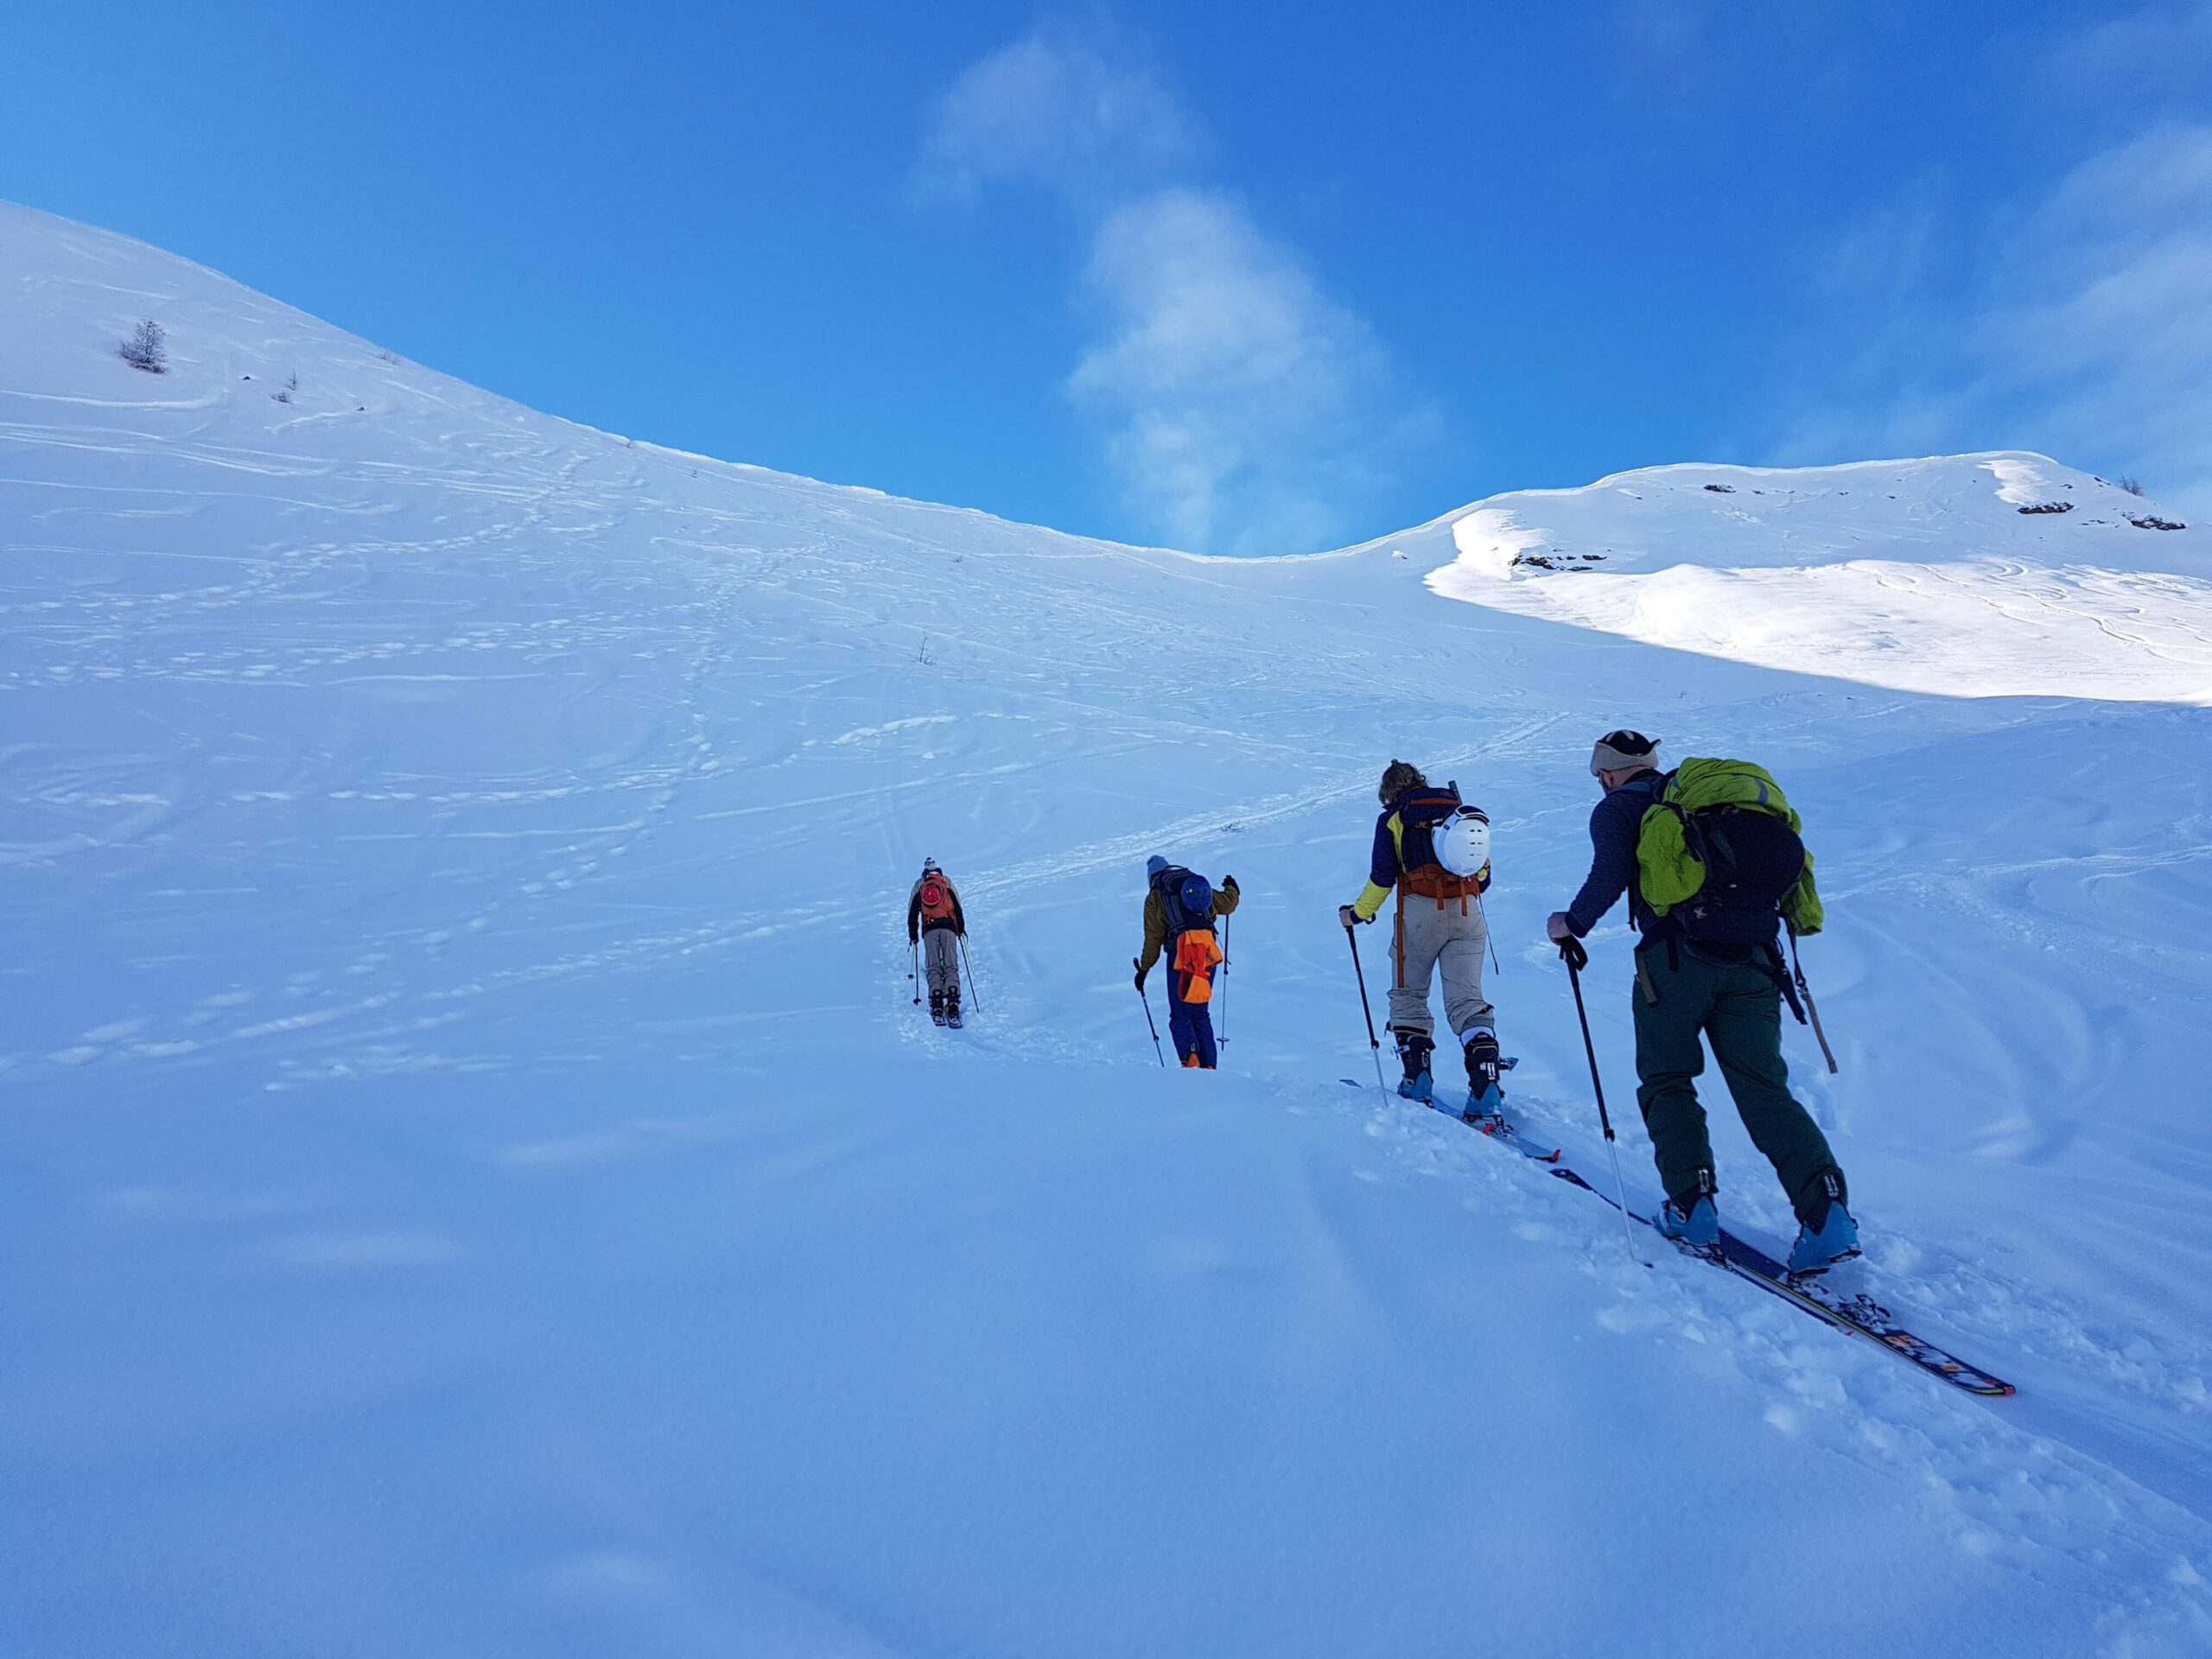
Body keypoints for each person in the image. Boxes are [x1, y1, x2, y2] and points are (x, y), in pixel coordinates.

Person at [1546, 730, 1858, 1274]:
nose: (1601, 782)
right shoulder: (1696, 797)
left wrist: (1570, 924)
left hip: (1675, 961)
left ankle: (1693, 1208)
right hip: (1756, 959)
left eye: (1601, 774)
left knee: (1668, 1079)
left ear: (1609, 773)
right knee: (1764, 1087)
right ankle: (1827, 1212)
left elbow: (1610, 874)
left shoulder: (1618, 809)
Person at [1338, 760, 1500, 1118]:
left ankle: (1417, 1078)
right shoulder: (1459, 811)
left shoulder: (1394, 819)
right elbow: (1483, 876)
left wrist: (1357, 914)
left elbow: (1383, 878)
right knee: (1468, 1001)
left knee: (1409, 995)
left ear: (1388, 792)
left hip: (1418, 914)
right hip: (1469, 912)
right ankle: (1486, 1084)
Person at [1135, 855, 1238, 1068]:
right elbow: (1228, 904)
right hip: (1208, 954)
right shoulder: (1192, 884)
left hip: (1180, 957)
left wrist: (1144, 970)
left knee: (1181, 1014)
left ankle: (1190, 1057)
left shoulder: (1155, 897)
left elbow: (1153, 938)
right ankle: (1209, 1064)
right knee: (1200, 1013)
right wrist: (1232, 888)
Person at [907, 858, 968, 1027]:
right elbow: (957, 906)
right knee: (950, 966)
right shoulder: (946, 883)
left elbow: (912, 913)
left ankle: (936, 1006)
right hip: (949, 928)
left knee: (934, 967)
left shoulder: (920, 886)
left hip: (930, 930)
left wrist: (913, 935)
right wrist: (960, 929)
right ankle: (953, 1004)